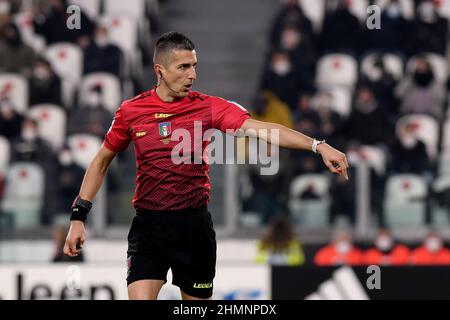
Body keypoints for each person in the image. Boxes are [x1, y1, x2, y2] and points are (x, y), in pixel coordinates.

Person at [63, 31, 349, 300]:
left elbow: (263, 129)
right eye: (184, 67)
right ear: (159, 71)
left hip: (193, 227)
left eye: (194, 66)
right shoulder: (131, 111)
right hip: (149, 227)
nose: (193, 75)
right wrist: (79, 217)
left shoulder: (209, 107)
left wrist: (318, 145)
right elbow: (101, 160)